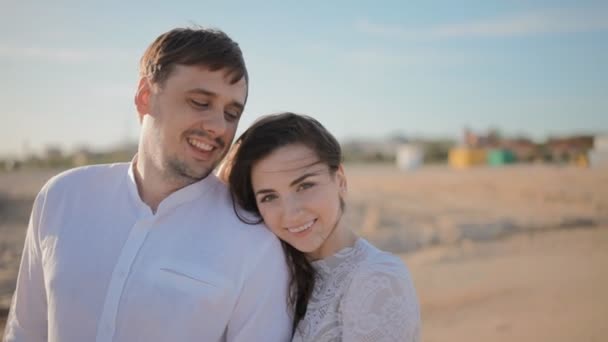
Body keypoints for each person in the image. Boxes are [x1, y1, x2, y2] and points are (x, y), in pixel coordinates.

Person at [4, 27, 291, 342]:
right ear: (145, 97)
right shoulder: (61, 197)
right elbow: (24, 332)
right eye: (200, 102)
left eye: (231, 113)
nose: (218, 126)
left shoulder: (254, 242)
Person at [224, 112, 421, 341]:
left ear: (340, 181)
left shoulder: (377, 279)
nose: (291, 213)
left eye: (305, 185)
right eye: (269, 197)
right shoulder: (278, 269)